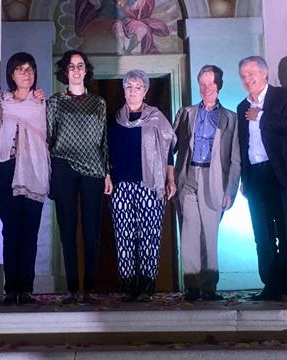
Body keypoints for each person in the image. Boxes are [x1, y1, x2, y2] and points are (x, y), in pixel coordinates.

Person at [237, 56, 287, 300]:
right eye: (243, 75)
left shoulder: (285, 96)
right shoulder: (242, 107)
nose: (247, 79)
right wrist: (244, 178)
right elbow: (243, 144)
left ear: (265, 73)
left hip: (283, 174)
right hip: (256, 175)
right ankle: (270, 285)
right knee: (262, 234)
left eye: (251, 73)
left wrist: (260, 116)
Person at [47, 50, 113, 304]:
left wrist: (107, 171)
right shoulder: (54, 102)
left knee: (91, 229)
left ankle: (90, 288)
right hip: (63, 166)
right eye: (71, 66)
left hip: (94, 170)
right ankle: (73, 288)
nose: (76, 70)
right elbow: (48, 138)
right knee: (67, 228)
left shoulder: (98, 103)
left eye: (80, 66)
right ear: (65, 72)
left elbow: (104, 140)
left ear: (86, 71)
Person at [108, 69, 176, 302]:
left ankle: (147, 286)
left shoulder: (156, 118)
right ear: (124, 90)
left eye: (138, 87)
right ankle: (127, 286)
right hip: (121, 187)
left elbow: (168, 153)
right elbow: (106, 153)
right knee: (124, 236)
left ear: (145, 91)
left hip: (150, 184)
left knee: (149, 236)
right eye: (129, 87)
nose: (133, 91)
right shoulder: (115, 119)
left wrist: (171, 179)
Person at [173, 65, 240, 301]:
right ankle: (191, 286)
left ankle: (209, 287)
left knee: (210, 234)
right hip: (189, 175)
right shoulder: (186, 113)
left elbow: (235, 158)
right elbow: (171, 145)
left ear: (218, 86)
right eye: (202, 84)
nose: (206, 88)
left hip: (214, 178)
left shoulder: (230, 118)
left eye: (210, 84)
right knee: (190, 231)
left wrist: (230, 189)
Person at [0, 52, 49, 305]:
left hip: (34, 168)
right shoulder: (2, 101)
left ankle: (26, 287)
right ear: (11, 75)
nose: (26, 73)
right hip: (7, 167)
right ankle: (10, 288)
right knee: (11, 229)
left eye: (30, 69)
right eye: (20, 69)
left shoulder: (41, 102)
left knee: (30, 230)